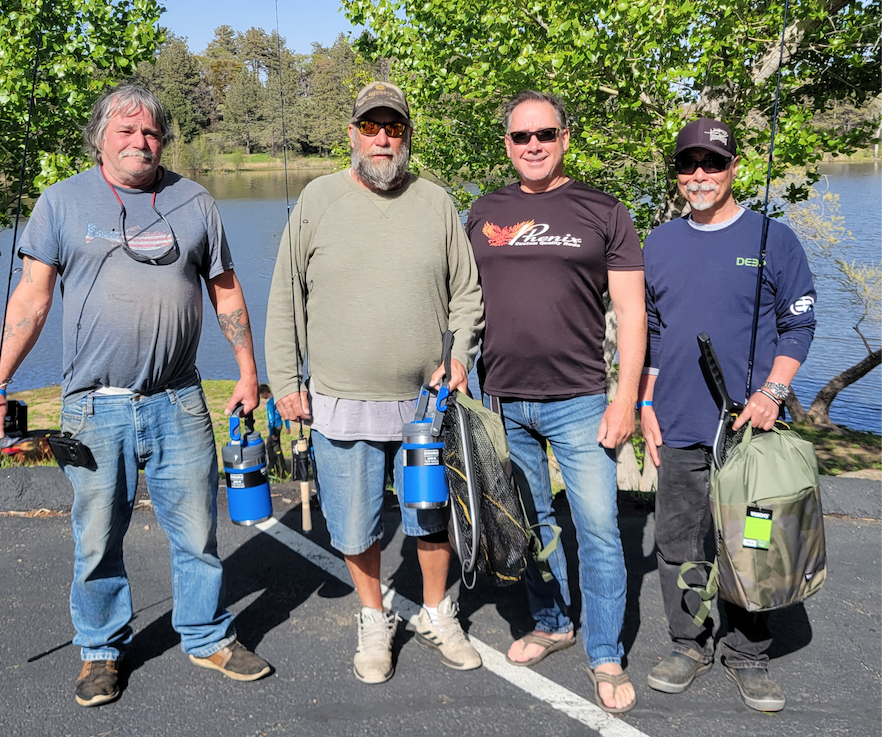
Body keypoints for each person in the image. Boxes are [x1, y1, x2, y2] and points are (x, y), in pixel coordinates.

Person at [0, 84, 272, 707]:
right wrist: (1, 378)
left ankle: (207, 635)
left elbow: (226, 291)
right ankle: (99, 651)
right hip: (95, 405)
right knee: (97, 535)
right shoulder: (62, 202)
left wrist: (248, 371)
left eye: (150, 132)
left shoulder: (194, 200)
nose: (139, 142)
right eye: (125, 130)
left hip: (178, 399)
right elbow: (32, 299)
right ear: (100, 136)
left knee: (198, 529)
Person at [265, 81, 484, 685]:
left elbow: (466, 296)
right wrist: (286, 379)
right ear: (354, 134)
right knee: (356, 521)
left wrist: (460, 355)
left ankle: (439, 611)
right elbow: (284, 299)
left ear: (408, 134)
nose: (382, 138)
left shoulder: (437, 202)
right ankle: (372, 617)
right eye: (370, 127)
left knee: (431, 516)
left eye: (394, 127)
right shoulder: (316, 199)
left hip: (426, 405)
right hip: (340, 399)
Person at [465, 90, 645, 714]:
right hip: (502, 399)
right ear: (508, 143)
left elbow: (631, 310)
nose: (533, 145)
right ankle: (551, 620)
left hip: (580, 400)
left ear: (565, 138)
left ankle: (605, 652)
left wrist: (624, 399)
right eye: (520, 136)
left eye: (545, 134)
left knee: (597, 528)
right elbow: (463, 302)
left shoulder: (603, 210)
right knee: (531, 524)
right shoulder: (484, 212)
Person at [639, 118, 816, 712]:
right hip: (680, 421)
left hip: (749, 430)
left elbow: (799, 324)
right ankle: (689, 643)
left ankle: (747, 652)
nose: (699, 176)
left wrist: (771, 392)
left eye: (712, 164)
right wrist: (644, 402)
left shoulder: (775, 238)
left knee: (752, 541)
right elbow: (656, 335)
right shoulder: (659, 242)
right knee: (679, 542)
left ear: (734, 167)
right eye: (688, 165)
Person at [259, 383, 289, 476]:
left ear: (264, 393)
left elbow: (270, 418)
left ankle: (275, 468)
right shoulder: (278, 400)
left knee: (271, 447)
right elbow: (285, 413)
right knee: (276, 446)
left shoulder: (270, 403)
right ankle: (280, 468)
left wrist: (272, 432)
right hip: (280, 425)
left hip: (275, 426)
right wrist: (287, 426)